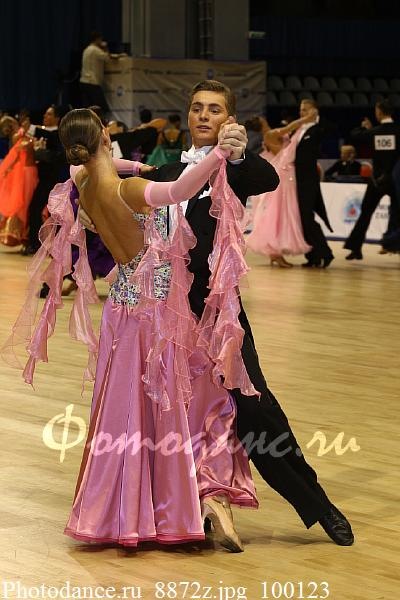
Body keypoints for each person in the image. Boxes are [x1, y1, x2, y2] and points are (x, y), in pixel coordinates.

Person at [82, 80, 354, 545]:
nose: (204, 115)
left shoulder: (233, 170)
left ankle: (318, 506)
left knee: (255, 409)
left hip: (218, 315)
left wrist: (240, 153)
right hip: (164, 319)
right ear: (188, 116)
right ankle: (180, 510)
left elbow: (266, 180)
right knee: (170, 416)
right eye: (197, 108)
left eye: (214, 109)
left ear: (228, 118)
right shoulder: (166, 172)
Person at [8, 108, 259, 551]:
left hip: (121, 309)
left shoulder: (85, 183)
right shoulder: (128, 190)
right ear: (106, 138)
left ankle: (128, 511)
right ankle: (176, 506)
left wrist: (135, 165)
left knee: (126, 410)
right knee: (185, 401)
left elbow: (84, 165)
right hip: (157, 314)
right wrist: (218, 154)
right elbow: (180, 189)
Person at [246, 111, 316, 267]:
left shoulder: (270, 134)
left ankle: (275, 254)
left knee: (280, 213)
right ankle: (275, 253)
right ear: (261, 122)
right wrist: (306, 119)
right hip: (284, 173)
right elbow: (290, 127)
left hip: (285, 171)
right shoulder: (270, 134)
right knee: (280, 213)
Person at [344, 100, 400, 260]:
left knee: (365, 214)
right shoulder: (398, 131)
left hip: (377, 181)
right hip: (395, 181)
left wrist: (365, 128)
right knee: (397, 214)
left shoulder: (374, 132)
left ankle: (355, 249)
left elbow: (354, 135)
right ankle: (392, 244)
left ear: (379, 112)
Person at [22, 105, 67, 255]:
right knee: (39, 210)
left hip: (54, 180)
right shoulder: (48, 133)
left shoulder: (58, 134)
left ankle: (40, 245)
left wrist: (39, 152)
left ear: (57, 118)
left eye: (49, 114)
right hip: (44, 179)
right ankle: (38, 244)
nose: (45, 117)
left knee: (44, 211)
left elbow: (56, 154)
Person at [295, 99, 335, 268]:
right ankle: (313, 256)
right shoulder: (299, 129)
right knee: (302, 219)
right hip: (296, 181)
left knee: (307, 218)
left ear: (314, 111)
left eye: (305, 109)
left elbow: (330, 129)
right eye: (301, 109)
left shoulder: (318, 128)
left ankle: (325, 253)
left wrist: (317, 118)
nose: (302, 112)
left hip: (309, 180)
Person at [0, 116, 38, 246]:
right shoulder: (19, 136)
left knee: (28, 203)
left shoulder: (22, 136)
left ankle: (24, 234)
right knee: (24, 203)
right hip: (25, 172)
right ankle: (21, 234)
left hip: (29, 171)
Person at [79, 32, 124, 115]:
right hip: (92, 82)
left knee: (87, 108)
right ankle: (101, 121)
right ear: (97, 39)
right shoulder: (95, 50)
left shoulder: (87, 49)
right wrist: (106, 47)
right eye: (100, 39)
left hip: (83, 81)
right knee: (101, 107)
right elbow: (107, 58)